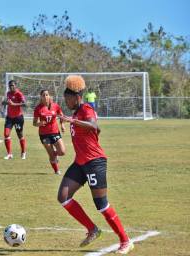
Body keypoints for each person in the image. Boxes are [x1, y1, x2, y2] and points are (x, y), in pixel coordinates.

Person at [59, 75, 134, 254]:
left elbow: (94, 126)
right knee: (63, 196)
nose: (66, 102)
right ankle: (92, 229)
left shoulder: (85, 109)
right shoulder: (76, 113)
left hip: (95, 162)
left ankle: (125, 241)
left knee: (101, 204)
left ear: (77, 96)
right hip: (80, 163)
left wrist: (72, 121)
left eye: (68, 98)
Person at [33, 89, 66, 175]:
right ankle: (56, 170)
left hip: (55, 132)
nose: (45, 96)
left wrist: (62, 125)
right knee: (51, 155)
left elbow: (62, 116)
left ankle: (55, 154)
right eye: (43, 95)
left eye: (47, 95)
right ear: (41, 97)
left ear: (49, 96)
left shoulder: (55, 106)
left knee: (62, 152)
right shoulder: (38, 108)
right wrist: (39, 123)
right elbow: (34, 123)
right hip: (44, 135)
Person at [3, 80, 27, 160]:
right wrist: (5, 102)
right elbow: (6, 102)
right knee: (6, 134)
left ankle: (23, 152)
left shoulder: (19, 94)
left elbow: (24, 104)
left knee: (19, 134)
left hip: (18, 118)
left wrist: (14, 104)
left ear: (16, 85)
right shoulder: (8, 93)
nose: (11, 87)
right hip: (9, 117)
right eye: (10, 85)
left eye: (12, 85)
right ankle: (9, 154)